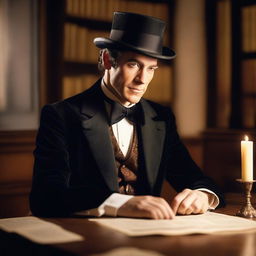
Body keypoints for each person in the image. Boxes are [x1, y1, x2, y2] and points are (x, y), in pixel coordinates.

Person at [29, 12, 225, 219]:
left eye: (151, 69)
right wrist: (120, 204)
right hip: (86, 239)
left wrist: (203, 195)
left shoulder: (161, 117)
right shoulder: (60, 115)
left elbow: (193, 177)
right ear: (107, 59)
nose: (143, 79)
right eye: (133, 65)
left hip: (148, 239)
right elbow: (46, 197)